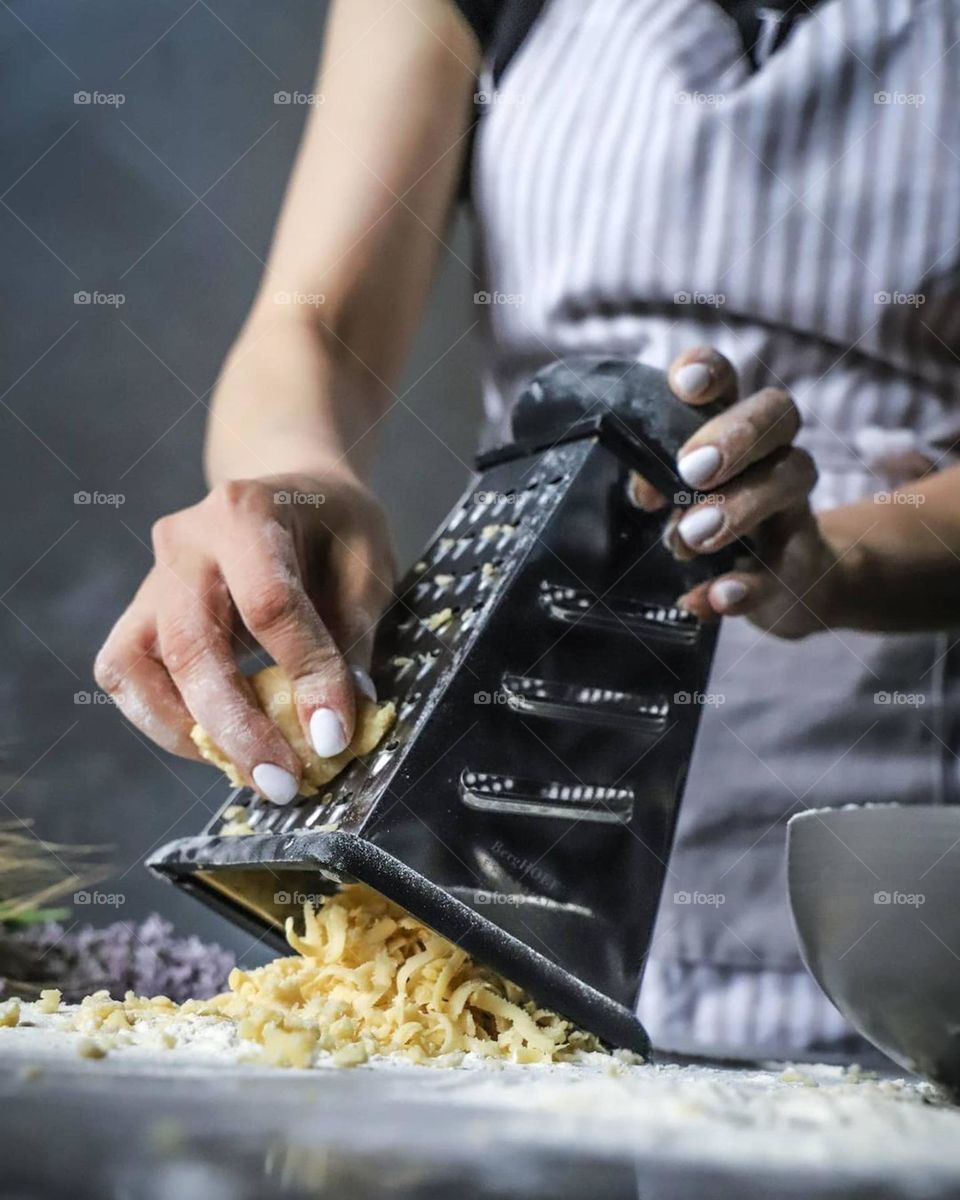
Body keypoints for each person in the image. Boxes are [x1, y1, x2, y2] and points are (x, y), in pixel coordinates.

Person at [94, 0, 960, 1058]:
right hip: (489, 846)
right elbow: (313, 324)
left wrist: (842, 562)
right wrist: (298, 477)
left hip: (896, 867)